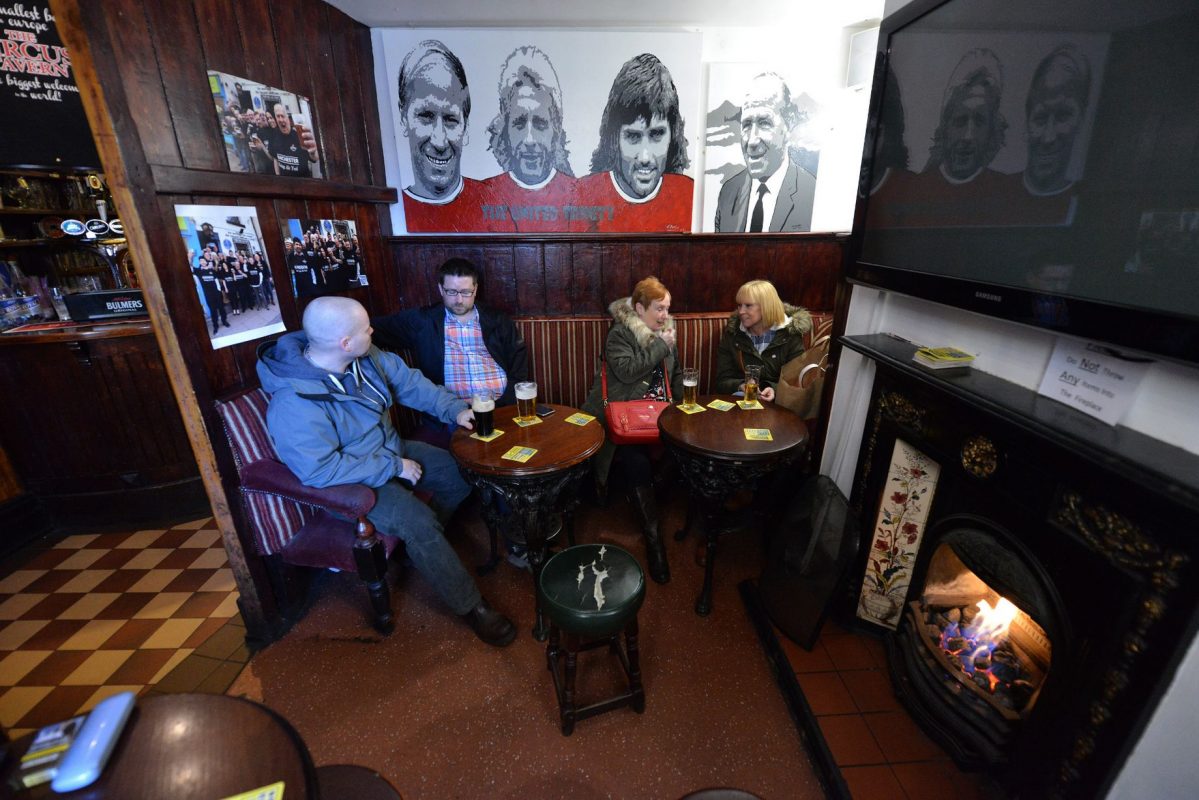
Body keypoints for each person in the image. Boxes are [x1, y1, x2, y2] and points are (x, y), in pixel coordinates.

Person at [256, 296, 517, 647]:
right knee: (418, 522)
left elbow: (410, 384)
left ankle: (420, 548)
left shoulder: (364, 356)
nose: (373, 331)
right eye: (366, 328)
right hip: (350, 482)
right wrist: (393, 466)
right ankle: (472, 606)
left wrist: (454, 410)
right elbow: (320, 471)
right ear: (344, 342)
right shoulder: (293, 404)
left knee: (463, 472)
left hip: (389, 450)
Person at [581, 276, 682, 584]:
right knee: (635, 458)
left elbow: (674, 375)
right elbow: (625, 373)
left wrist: (682, 409)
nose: (665, 315)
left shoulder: (664, 334)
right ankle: (654, 540)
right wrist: (661, 348)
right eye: (659, 309)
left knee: (689, 448)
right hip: (622, 418)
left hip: (659, 414)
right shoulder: (619, 335)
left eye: (667, 308)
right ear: (639, 308)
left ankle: (646, 491)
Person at [372, 257, 529, 448]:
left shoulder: (497, 320)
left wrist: (504, 404)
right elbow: (370, 329)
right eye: (451, 292)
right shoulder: (423, 321)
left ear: (475, 289)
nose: (459, 300)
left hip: (500, 408)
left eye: (466, 292)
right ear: (441, 289)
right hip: (449, 415)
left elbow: (519, 367)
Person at [396, 40, 514, 233]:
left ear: (465, 126)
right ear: (403, 117)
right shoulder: (393, 210)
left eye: (451, 119)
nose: (439, 141)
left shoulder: (496, 205)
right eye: (426, 116)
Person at [574, 54, 693, 233]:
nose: (645, 157)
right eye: (633, 137)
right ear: (615, 139)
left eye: (657, 135)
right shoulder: (583, 195)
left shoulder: (688, 194)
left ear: (672, 136)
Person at [482, 45, 578, 232]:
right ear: (506, 129)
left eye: (540, 124)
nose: (529, 140)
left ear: (556, 129)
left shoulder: (577, 195)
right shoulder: (485, 194)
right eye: (519, 123)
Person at [714, 72, 817, 233]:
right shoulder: (728, 193)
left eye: (764, 123)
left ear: (788, 126)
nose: (752, 141)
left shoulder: (812, 194)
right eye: (746, 124)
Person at [714, 279, 811, 400]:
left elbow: (796, 381)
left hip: (779, 406)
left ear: (766, 306)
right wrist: (740, 385)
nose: (741, 311)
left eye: (748, 305)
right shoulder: (733, 334)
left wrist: (774, 390)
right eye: (739, 305)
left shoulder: (790, 335)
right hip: (742, 401)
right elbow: (721, 381)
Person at [251, 102, 319, 178]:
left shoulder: (299, 135)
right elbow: (275, 158)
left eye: (282, 116)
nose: (280, 119)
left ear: (288, 118)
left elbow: (314, 159)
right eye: (278, 116)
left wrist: (313, 152)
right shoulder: (274, 135)